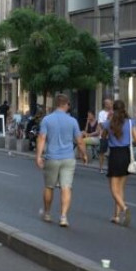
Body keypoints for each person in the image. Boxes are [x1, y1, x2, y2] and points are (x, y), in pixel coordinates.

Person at [35, 94, 87, 227]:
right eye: (69, 104)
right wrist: (84, 154)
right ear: (65, 105)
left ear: (56, 104)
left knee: (49, 186)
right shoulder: (73, 121)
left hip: (52, 157)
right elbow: (79, 141)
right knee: (66, 187)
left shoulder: (47, 120)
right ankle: (63, 217)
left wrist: (39, 156)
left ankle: (47, 213)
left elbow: (41, 138)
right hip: (68, 158)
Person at [101, 100, 136, 226]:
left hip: (114, 154)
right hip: (126, 154)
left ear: (113, 109)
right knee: (121, 187)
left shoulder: (109, 123)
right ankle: (116, 216)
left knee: (113, 188)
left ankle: (124, 208)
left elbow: (103, 136)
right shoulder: (130, 122)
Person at [97, 98, 113, 174]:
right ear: (105, 105)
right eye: (109, 103)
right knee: (102, 152)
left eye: (111, 103)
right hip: (103, 136)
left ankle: (111, 168)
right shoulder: (101, 113)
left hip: (112, 136)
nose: (110, 105)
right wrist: (108, 119)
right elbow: (101, 124)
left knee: (112, 152)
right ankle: (101, 168)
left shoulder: (114, 112)